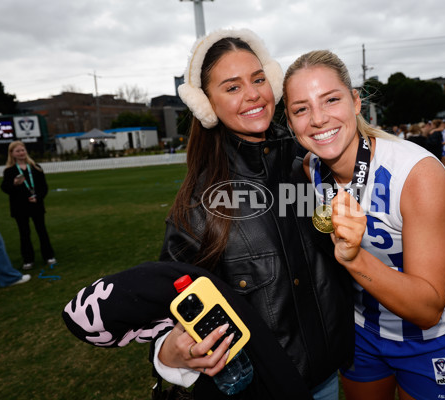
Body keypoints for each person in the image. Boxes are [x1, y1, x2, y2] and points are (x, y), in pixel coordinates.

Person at [150, 29, 353, 399]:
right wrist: (167, 352)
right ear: (206, 104)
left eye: (258, 79)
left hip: (326, 378)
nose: (253, 94)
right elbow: (167, 313)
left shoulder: (309, 161)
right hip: (256, 390)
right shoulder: (197, 206)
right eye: (232, 87)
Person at [283, 50, 445, 400]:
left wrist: (354, 258)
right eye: (301, 109)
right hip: (360, 331)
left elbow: (427, 310)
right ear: (291, 122)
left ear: (355, 101)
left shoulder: (416, 173)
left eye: (331, 100)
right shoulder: (308, 171)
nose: (318, 119)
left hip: (428, 339)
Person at [0, 141, 56, 269]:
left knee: (42, 231)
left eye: (23, 150)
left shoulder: (35, 167)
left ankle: (48, 255)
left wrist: (38, 197)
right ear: (12, 154)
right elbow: (5, 188)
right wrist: (14, 183)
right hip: (20, 207)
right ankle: (28, 259)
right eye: (18, 151)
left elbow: (44, 187)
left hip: (36, 205)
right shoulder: (10, 171)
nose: (21, 153)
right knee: (24, 233)